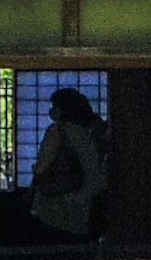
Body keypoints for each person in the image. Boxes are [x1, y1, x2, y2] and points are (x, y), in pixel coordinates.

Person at [27, 85, 109, 243]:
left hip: (53, 207)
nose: (51, 111)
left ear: (63, 109)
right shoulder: (88, 134)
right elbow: (96, 176)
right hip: (82, 209)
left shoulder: (57, 132)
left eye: (54, 106)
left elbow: (42, 168)